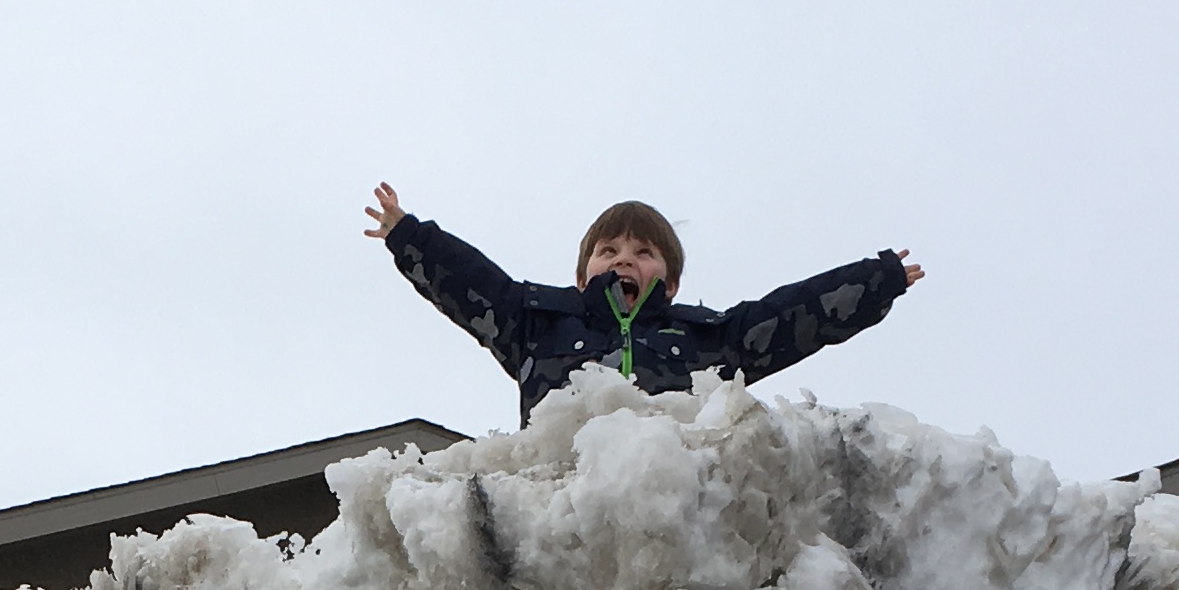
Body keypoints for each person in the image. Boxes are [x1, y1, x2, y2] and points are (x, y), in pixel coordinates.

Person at [368, 186, 922, 421]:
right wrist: (409, 235)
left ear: (671, 282)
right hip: (564, 498)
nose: (623, 261)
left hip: (669, 498)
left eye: (643, 252)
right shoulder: (535, 324)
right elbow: (472, 284)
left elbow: (791, 317)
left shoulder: (708, 339)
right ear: (582, 275)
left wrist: (877, 279)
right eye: (608, 251)